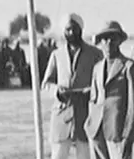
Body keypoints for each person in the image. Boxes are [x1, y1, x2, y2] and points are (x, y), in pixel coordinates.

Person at [41, 14, 103, 159]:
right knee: (58, 155)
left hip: (86, 115)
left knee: (85, 155)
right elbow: (46, 83)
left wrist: (91, 91)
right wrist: (57, 91)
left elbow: (102, 82)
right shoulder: (57, 55)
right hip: (62, 115)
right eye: (68, 30)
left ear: (81, 30)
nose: (71, 33)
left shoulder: (95, 54)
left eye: (74, 29)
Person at [85, 21, 134, 159]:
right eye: (105, 38)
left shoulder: (130, 67)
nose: (108, 42)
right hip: (96, 131)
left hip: (118, 132)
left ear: (119, 40)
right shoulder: (97, 68)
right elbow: (93, 100)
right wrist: (89, 125)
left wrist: (128, 135)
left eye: (113, 38)